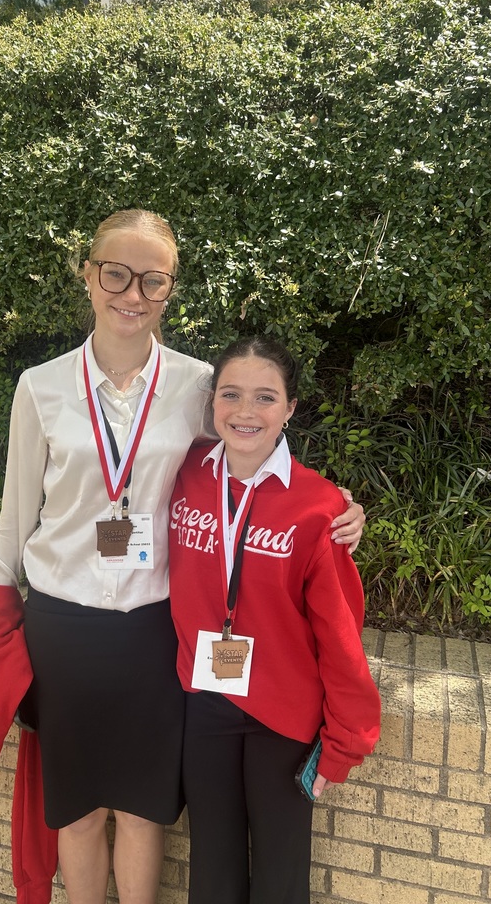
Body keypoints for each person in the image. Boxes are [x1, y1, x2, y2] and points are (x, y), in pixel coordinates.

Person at [0, 210, 366, 904]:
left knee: (141, 806)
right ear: (88, 274)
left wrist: (332, 503)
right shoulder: (39, 388)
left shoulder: (196, 385)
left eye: (152, 280)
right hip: (64, 628)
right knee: (75, 807)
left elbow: (247, 454)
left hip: (154, 628)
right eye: (116, 273)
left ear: (169, 290)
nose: (132, 293)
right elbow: (15, 517)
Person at [168, 337, 381, 904]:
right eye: (231, 395)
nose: (245, 412)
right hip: (204, 698)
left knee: (281, 875)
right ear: (213, 402)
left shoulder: (319, 506)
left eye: (266, 397)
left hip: (284, 712)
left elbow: (339, 631)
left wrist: (346, 738)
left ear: (289, 409)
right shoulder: (179, 472)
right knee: (211, 863)